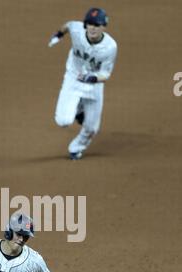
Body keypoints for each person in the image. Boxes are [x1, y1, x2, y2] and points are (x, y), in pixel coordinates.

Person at [49, 7, 118, 160]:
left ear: (103, 27)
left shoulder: (110, 47)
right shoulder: (77, 29)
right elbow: (67, 25)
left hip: (93, 85)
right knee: (63, 121)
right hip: (73, 78)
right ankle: (79, 111)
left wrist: (91, 78)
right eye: (90, 24)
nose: (93, 27)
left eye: (97, 24)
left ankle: (76, 148)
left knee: (92, 128)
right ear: (85, 24)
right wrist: (58, 34)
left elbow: (106, 74)